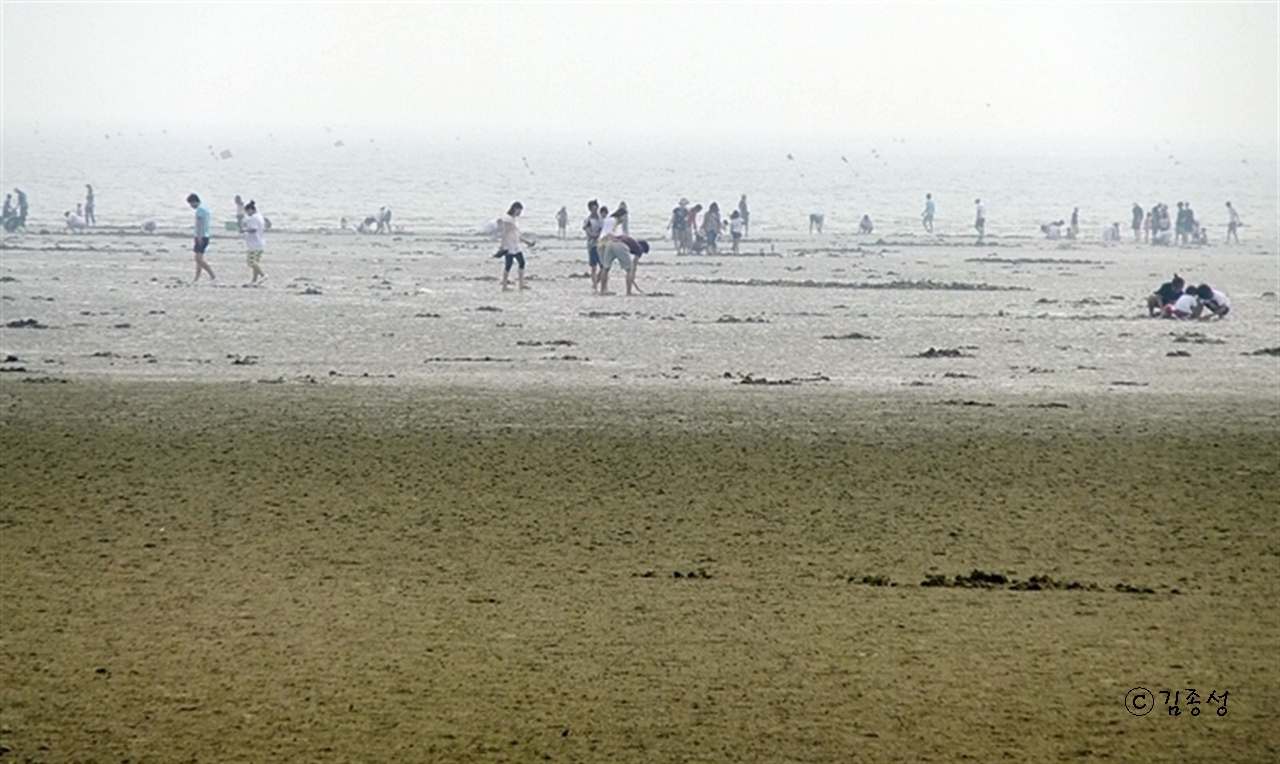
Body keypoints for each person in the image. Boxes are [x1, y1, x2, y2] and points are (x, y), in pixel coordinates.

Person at [494, 201, 535, 291]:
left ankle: (521, 284)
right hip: (509, 245)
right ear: (515, 209)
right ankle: (504, 286)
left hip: (515, 244)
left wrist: (527, 242)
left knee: (522, 262)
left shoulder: (513, 219)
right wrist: (502, 246)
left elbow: (517, 234)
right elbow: (505, 233)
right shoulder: (508, 219)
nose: (520, 213)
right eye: (519, 211)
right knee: (508, 264)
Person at [186, 193, 216, 282]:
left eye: (191, 204)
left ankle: (212, 275)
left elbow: (200, 224)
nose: (191, 206)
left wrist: (199, 236)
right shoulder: (205, 208)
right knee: (199, 259)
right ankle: (197, 278)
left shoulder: (200, 210)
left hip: (201, 236)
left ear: (194, 202)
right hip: (205, 235)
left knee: (198, 259)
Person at [242, 199, 266, 284]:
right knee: (256, 262)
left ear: (250, 210)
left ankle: (263, 275)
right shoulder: (260, 216)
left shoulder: (253, 218)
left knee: (251, 262)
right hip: (260, 242)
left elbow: (253, 229)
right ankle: (254, 280)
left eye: (247, 212)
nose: (247, 214)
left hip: (254, 243)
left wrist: (244, 230)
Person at [583, 199, 603, 291]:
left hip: (602, 245)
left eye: (596, 208)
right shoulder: (588, 220)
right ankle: (594, 285)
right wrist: (598, 235)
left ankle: (596, 283)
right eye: (593, 208)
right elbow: (589, 233)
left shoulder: (601, 219)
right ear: (590, 209)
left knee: (603, 266)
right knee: (594, 266)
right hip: (592, 245)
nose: (595, 210)